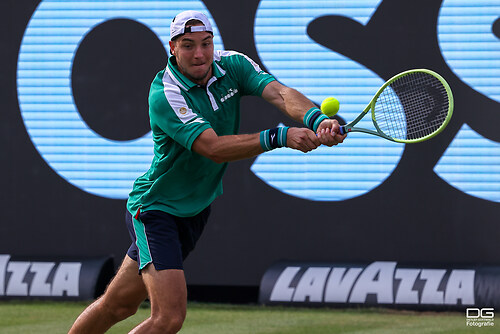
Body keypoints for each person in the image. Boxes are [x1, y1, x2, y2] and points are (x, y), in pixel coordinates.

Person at [69, 10, 346, 334]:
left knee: (119, 305)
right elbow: (212, 148)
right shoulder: (166, 94)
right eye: (188, 45)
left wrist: (315, 119)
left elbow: (280, 93)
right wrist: (280, 137)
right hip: (156, 210)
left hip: (193, 211)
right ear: (172, 47)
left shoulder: (232, 65)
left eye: (205, 43)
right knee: (168, 318)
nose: (199, 54)